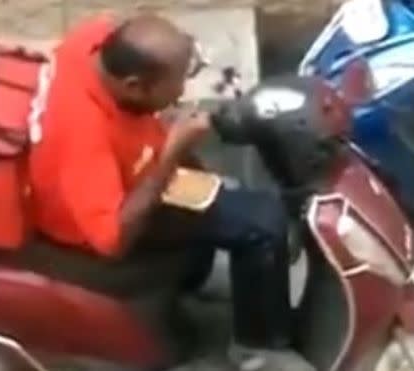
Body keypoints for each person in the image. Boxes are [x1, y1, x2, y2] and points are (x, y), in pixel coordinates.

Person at [28, 12, 314, 371]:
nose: (182, 91)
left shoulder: (93, 45)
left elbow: (125, 25)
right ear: (134, 86)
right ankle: (258, 348)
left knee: (234, 197)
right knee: (260, 224)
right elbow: (113, 240)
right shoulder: (80, 134)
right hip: (102, 218)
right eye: (178, 82)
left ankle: (206, 275)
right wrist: (171, 154)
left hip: (131, 170)